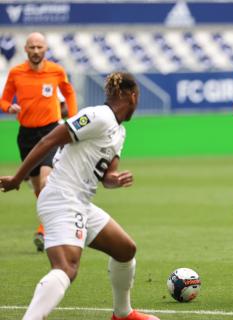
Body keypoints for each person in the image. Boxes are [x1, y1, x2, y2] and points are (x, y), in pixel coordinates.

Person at [0, 72, 159, 320]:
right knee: (66, 268)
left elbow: (107, 175)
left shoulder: (119, 132)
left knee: (125, 249)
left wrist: (113, 180)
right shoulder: (97, 115)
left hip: (80, 203)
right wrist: (18, 178)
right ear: (132, 96)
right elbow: (47, 141)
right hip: (61, 197)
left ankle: (123, 314)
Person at [0, 32, 78, 252]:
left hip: (51, 131)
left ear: (46, 49)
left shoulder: (56, 70)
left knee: (46, 181)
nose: (35, 51)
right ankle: (51, 226)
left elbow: (69, 92)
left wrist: (72, 118)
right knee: (39, 190)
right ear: (25, 49)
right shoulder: (16, 73)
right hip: (26, 135)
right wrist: (8, 107)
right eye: (31, 47)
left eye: (39, 47)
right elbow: (4, 99)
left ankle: (45, 231)